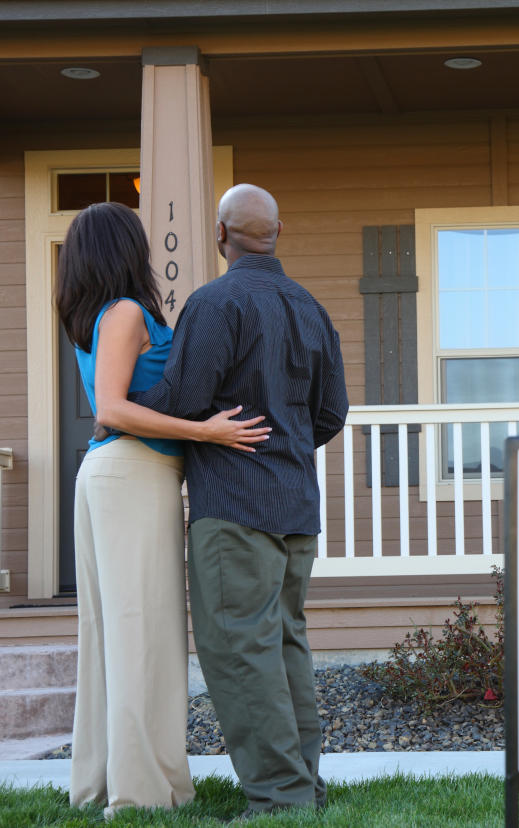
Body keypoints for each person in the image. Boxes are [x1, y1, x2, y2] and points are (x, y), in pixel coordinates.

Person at [132, 183, 348, 816]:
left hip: (235, 507)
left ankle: (280, 798)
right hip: (296, 506)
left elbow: (184, 397)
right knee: (284, 645)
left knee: (238, 651)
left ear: (221, 235)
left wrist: (121, 407)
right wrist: (287, 440)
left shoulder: (215, 302)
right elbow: (332, 413)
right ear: (276, 233)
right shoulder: (311, 308)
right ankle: (302, 784)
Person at [55, 202, 272, 819]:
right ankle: (140, 795)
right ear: (126, 247)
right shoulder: (124, 312)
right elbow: (111, 407)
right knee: (141, 633)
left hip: (112, 474)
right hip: (131, 470)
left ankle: (104, 783)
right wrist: (205, 432)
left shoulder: (97, 315)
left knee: (113, 635)